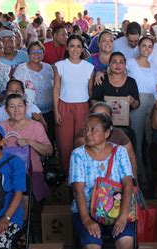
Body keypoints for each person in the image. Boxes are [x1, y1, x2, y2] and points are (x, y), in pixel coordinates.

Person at [69, 113, 135, 249]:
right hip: (86, 210)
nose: (88, 134)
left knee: (126, 239)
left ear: (107, 133)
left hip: (115, 210)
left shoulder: (119, 151)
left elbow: (128, 184)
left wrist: (123, 215)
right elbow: (78, 191)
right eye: (86, 129)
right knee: (92, 244)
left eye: (93, 130)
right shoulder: (78, 154)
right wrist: (86, 220)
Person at [53, 34, 94, 173]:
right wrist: (56, 111)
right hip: (64, 106)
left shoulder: (89, 67)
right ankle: (67, 174)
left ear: (83, 49)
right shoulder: (60, 66)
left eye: (78, 46)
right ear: (67, 48)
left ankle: (81, 173)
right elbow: (56, 89)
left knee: (82, 142)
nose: (75, 50)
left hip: (83, 107)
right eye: (72, 46)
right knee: (64, 144)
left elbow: (90, 90)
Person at [74, 102, 138, 181]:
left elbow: (131, 159)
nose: (100, 119)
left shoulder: (118, 133)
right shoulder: (84, 133)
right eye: (96, 115)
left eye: (104, 115)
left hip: (117, 182)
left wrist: (135, 183)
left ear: (111, 118)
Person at [127, 37, 157, 179]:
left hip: (151, 101)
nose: (146, 49)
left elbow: (153, 87)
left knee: (149, 138)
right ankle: (139, 174)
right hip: (137, 102)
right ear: (139, 47)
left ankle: (149, 172)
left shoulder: (153, 66)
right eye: (144, 46)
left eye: (149, 47)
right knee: (137, 138)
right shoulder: (130, 62)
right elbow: (116, 74)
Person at [13, 41, 54, 141]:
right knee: (32, 138)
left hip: (49, 110)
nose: (36, 54)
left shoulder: (48, 68)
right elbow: (15, 89)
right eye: (33, 52)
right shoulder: (21, 68)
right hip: (29, 112)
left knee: (49, 138)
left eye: (39, 52)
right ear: (28, 54)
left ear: (43, 54)